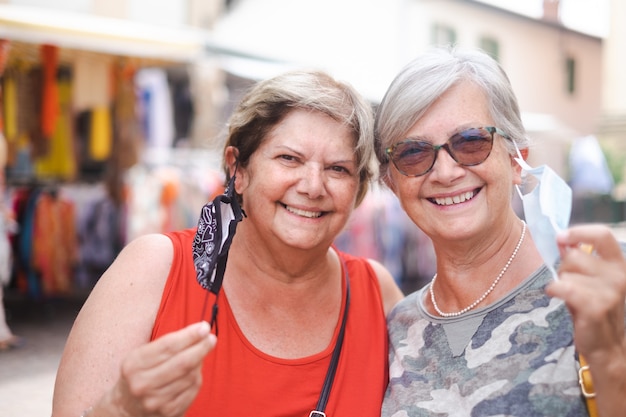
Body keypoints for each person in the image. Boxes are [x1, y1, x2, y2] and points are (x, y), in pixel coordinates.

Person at [52, 69, 404, 417]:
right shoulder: (156, 269)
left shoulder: (377, 294)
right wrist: (120, 408)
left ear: (358, 190)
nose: (313, 186)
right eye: (289, 158)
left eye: (337, 169)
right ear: (239, 170)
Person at [374, 46, 626, 417]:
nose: (445, 173)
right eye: (413, 152)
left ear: (517, 159)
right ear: (392, 182)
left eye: (471, 141)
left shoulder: (603, 285)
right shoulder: (397, 327)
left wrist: (610, 362)